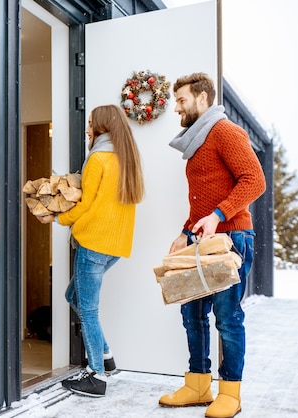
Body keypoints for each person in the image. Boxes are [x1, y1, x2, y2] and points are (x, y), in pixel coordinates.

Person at [158, 73, 266, 418]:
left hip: (232, 238)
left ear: (202, 98)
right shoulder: (198, 140)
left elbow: (255, 180)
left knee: (227, 317)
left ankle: (230, 392)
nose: (177, 107)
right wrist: (185, 232)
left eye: (182, 100)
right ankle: (198, 384)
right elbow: (203, 199)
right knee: (191, 312)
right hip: (201, 239)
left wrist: (219, 214)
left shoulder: (224, 132)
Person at [37, 104, 145, 397]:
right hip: (115, 246)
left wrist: (55, 218)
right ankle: (107, 357)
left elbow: (85, 205)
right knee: (73, 296)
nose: (87, 129)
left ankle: (95, 376)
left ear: (102, 126)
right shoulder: (127, 159)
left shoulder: (98, 158)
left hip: (94, 243)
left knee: (88, 311)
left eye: (90, 124)